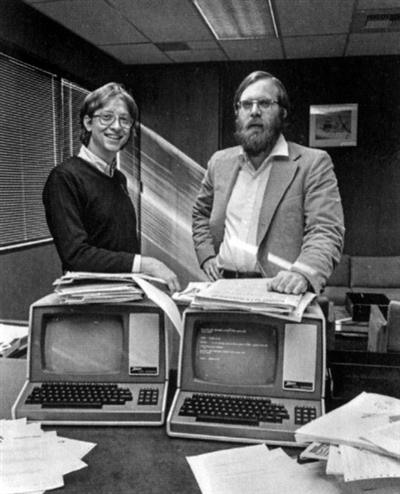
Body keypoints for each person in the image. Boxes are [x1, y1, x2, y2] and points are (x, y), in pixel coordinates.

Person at [192, 71, 345, 295]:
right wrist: (206, 256)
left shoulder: (312, 163)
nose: (254, 111)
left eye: (264, 103)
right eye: (246, 104)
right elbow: (201, 214)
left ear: (282, 112)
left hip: (281, 292)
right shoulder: (219, 162)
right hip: (223, 286)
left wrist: (303, 274)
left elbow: (326, 230)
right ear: (237, 113)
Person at [43, 82, 180, 294]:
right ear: (88, 122)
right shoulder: (64, 177)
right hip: (89, 300)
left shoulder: (118, 179)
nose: (116, 126)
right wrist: (146, 264)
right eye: (106, 117)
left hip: (125, 294)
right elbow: (76, 256)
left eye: (124, 120)